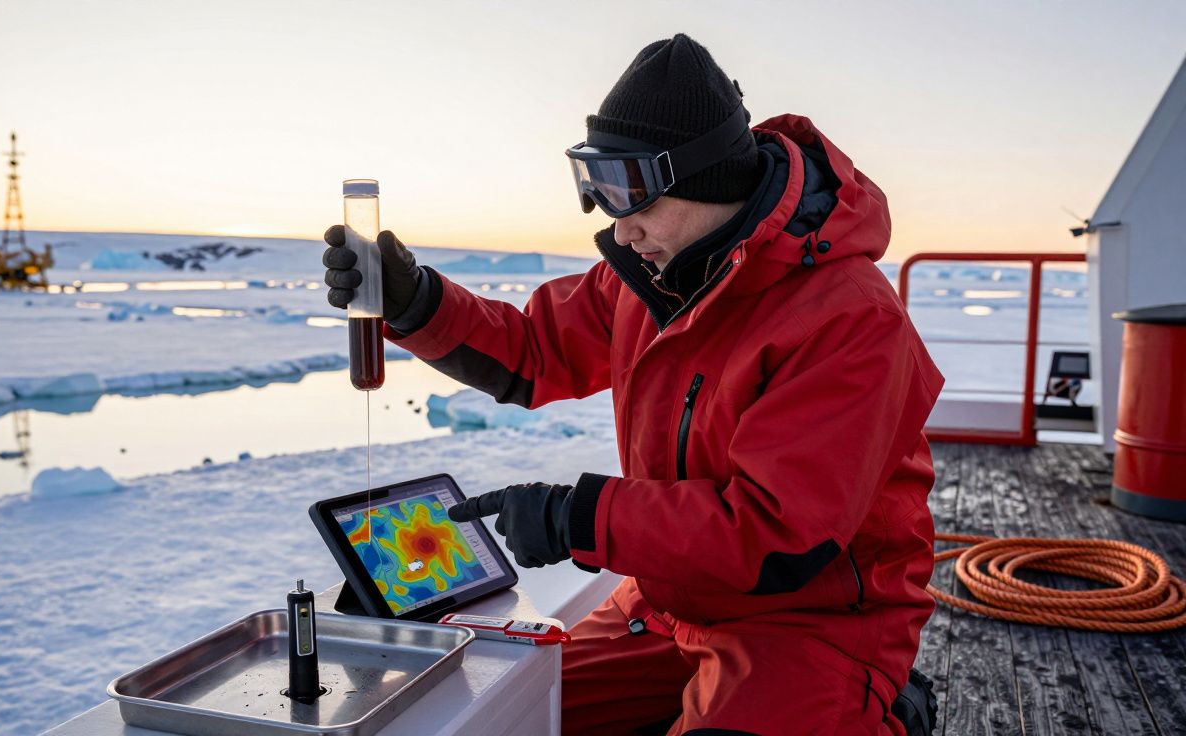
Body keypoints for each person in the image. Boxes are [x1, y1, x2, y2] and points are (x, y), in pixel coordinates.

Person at [323, 33, 942, 736]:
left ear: (710, 178)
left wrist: (578, 517)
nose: (620, 229)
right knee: (503, 716)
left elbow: (777, 535)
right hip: (666, 607)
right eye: (598, 190)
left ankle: (881, 711)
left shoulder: (850, 318)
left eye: (629, 195)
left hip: (810, 624)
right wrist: (417, 303)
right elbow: (535, 352)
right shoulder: (651, 275)